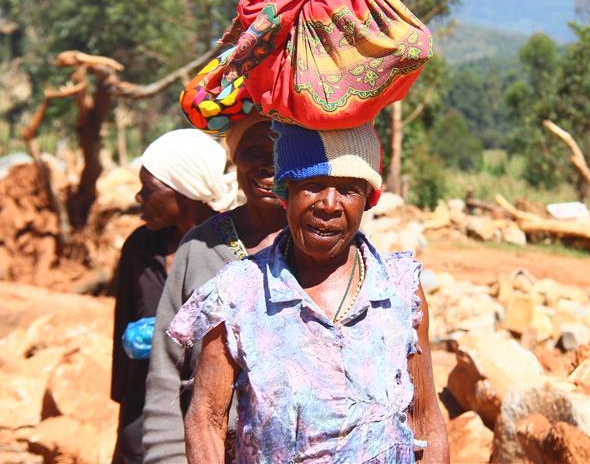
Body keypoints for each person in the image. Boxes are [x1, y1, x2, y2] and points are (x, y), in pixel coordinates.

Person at [167, 122, 449, 463]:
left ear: (367, 201)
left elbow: (425, 419)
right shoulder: (238, 291)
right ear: (286, 192)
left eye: (348, 190)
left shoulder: (401, 289)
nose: (329, 204)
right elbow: (206, 419)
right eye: (312, 186)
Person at [142, 112, 288, 463]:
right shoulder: (200, 247)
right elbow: (165, 371)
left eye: (280, 150)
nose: (267, 165)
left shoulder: (320, 249)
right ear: (234, 158)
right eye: (253, 150)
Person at [112, 129, 238, 464]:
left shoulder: (233, 251)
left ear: (185, 191)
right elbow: (121, 334)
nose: (139, 197)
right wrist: (124, 433)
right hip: (148, 414)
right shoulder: (140, 248)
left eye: (149, 188)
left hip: (214, 422)